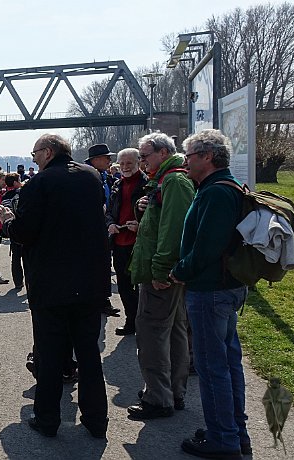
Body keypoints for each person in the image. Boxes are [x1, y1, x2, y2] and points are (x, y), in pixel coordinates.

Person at [0, 133, 110, 439]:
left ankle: (47, 419)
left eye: (35, 153)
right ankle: (96, 419)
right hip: (90, 281)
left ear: (47, 152)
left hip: (52, 284)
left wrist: (8, 221)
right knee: (88, 353)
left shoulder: (41, 183)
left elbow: (25, 232)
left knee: (49, 355)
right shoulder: (91, 176)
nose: (33, 158)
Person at [170, 129, 252, 459]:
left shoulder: (216, 193)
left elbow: (206, 246)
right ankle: (234, 432)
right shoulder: (222, 187)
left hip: (210, 291)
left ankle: (223, 440)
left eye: (189, 157)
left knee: (212, 366)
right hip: (224, 288)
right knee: (228, 363)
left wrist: (180, 270)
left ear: (207, 157)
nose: (185, 163)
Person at [127, 132, 195, 420]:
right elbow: (159, 222)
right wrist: (142, 208)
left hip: (162, 273)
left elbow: (173, 232)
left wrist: (160, 270)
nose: (141, 162)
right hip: (167, 271)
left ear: (164, 153)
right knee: (175, 329)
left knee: (152, 331)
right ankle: (173, 392)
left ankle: (158, 398)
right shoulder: (165, 181)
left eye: (145, 156)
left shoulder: (175, 181)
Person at [105, 148, 148, 336]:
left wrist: (141, 225)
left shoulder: (148, 185)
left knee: (142, 286)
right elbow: (108, 212)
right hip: (120, 242)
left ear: (138, 162)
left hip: (140, 242)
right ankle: (131, 321)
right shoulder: (117, 185)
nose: (124, 167)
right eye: (121, 164)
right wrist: (111, 224)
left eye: (129, 163)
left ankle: (144, 322)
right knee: (123, 285)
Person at [1, 173, 25, 289]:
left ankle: (18, 282)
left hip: (12, 227)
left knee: (15, 257)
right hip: (24, 226)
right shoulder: (22, 193)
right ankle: (30, 282)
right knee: (27, 257)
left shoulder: (5, 196)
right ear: (15, 182)